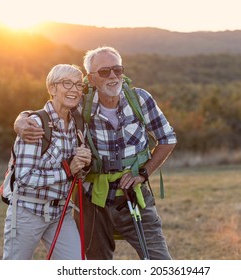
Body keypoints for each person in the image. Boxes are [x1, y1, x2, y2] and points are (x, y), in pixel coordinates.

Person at [15, 46, 177, 260]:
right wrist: (20, 119)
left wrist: (144, 172)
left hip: (134, 196)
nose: (112, 76)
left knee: (159, 263)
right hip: (91, 200)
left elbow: (167, 138)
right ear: (90, 79)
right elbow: (51, 109)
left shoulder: (141, 99)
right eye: (104, 72)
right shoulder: (81, 104)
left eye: (117, 70)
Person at [3, 64, 92, 260]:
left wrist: (83, 163)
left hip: (61, 213)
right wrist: (67, 170)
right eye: (67, 83)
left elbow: (77, 173)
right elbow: (24, 178)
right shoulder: (34, 124)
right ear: (52, 89)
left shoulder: (78, 123)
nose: (74, 89)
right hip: (28, 212)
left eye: (78, 85)